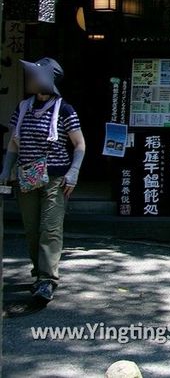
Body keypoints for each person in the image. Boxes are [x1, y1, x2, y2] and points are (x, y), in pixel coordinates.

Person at [0, 58, 85, 304]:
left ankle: (47, 279)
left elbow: (79, 144)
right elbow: (14, 142)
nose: (29, 78)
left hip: (55, 178)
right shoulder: (23, 107)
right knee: (31, 228)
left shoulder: (65, 109)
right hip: (27, 176)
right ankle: (38, 273)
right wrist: (7, 168)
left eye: (35, 75)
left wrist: (74, 172)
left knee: (50, 228)